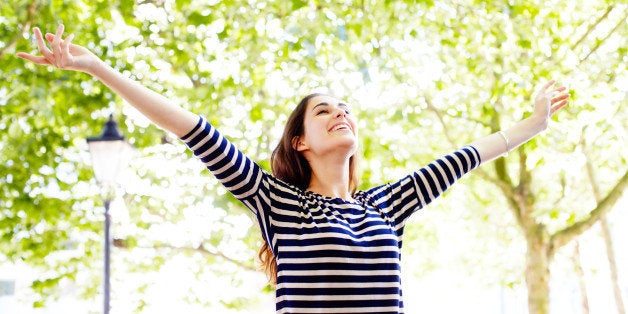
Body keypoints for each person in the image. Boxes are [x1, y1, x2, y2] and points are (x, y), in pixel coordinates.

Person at [18, 24, 569, 314]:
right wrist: (96, 67)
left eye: (345, 108)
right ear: (300, 141)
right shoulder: (277, 202)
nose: (340, 114)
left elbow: (464, 157)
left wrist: (535, 124)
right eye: (323, 111)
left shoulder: (386, 205)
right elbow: (191, 128)